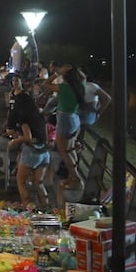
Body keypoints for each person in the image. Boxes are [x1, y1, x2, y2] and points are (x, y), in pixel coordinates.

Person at [44, 64, 87, 192]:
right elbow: (83, 78)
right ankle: (73, 177)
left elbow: (46, 83)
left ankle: (76, 179)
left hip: (64, 120)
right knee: (70, 150)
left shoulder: (63, 88)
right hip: (74, 119)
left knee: (63, 151)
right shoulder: (80, 86)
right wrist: (74, 70)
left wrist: (58, 73)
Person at [7, 93, 51, 206]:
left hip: (31, 153)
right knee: (39, 183)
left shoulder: (24, 117)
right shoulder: (40, 115)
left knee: (21, 182)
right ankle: (46, 209)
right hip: (44, 153)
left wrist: (14, 141)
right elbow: (44, 136)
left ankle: (28, 210)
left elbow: (28, 137)